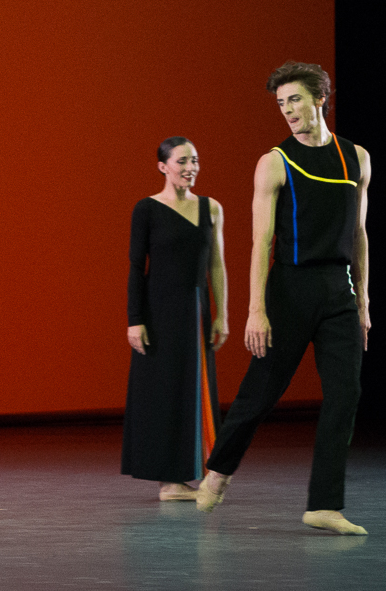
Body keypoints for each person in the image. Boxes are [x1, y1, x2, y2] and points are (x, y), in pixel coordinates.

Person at [197, 62, 371, 535]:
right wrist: (256, 310)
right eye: (281, 103)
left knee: (346, 394)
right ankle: (218, 472)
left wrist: (363, 303)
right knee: (260, 394)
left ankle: (324, 506)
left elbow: (358, 234)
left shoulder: (356, 158)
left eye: (294, 99)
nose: (287, 110)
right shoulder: (275, 162)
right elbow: (262, 241)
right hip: (290, 289)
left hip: (338, 290)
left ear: (320, 98)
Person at [122, 137, 229, 500]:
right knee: (163, 392)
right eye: (182, 161)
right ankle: (169, 481)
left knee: (193, 390)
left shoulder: (211, 208)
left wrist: (222, 315)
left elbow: (217, 265)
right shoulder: (147, 209)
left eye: (194, 160)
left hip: (195, 313)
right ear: (163, 166)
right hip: (158, 314)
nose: (190, 167)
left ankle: (187, 475)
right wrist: (135, 319)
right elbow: (136, 267)